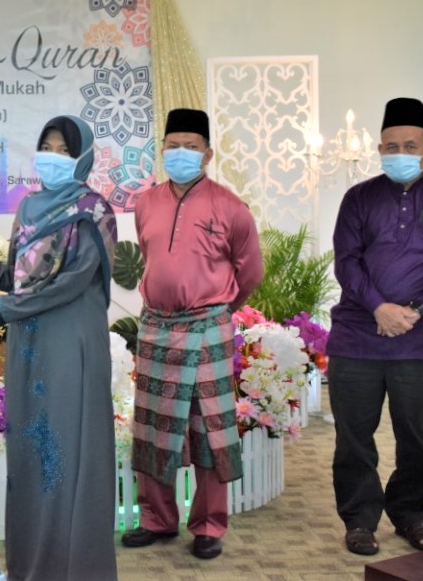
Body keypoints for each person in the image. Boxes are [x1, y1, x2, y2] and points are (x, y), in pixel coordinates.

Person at [0, 115, 119, 581]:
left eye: (65, 150)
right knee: (32, 451)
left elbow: (69, 284)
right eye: (47, 147)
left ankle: (77, 568)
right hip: (30, 340)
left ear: (83, 157)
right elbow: (23, 279)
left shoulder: (93, 211)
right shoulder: (29, 208)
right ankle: (33, 566)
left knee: (68, 448)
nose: (53, 157)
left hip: (71, 340)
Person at [327, 97, 423, 557]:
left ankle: (409, 513)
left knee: (416, 438)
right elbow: (347, 262)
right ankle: (359, 520)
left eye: (410, 145)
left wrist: (416, 311)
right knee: (353, 437)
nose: (400, 153)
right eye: (391, 146)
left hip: (421, 341)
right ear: (379, 149)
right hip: (356, 337)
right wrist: (378, 308)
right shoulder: (358, 198)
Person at [122, 108, 263, 560]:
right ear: (161, 149)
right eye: (172, 145)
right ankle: (157, 519)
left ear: (208, 153)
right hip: (156, 327)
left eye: (190, 145)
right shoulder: (146, 202)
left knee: (209, 430)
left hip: (207, 330)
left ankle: (208, 525)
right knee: (153, 427)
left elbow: (251, 272)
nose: (180, 153)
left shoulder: (231, 206)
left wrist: (219, 309)